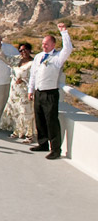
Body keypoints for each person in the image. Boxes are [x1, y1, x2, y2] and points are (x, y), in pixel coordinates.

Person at [28, 23, 72, 160]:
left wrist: (64, 32)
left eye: (47, 44)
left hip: (50, 93)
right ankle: (42, 143)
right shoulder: (38, 57)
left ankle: (55, 149)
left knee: (51, 121)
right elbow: (33, 74)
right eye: (43, 44)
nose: (44, 46)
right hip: (38, 92)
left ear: (53, 45)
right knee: (39, 119)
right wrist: (31, 89)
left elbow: (68, 48)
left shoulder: (58, 58)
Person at [0, 43, 36, 143]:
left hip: (25, 92)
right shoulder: (16, 59)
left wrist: (24, 80)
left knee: (26, 112)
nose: (23, 52)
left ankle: (29, 134)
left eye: (25, 49)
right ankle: (18, 131)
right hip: (14, 91)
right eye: (21, 50)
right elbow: (4, 58)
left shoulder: (33, 63)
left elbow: (35, 77)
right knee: (15, 111)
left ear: (30, 50)